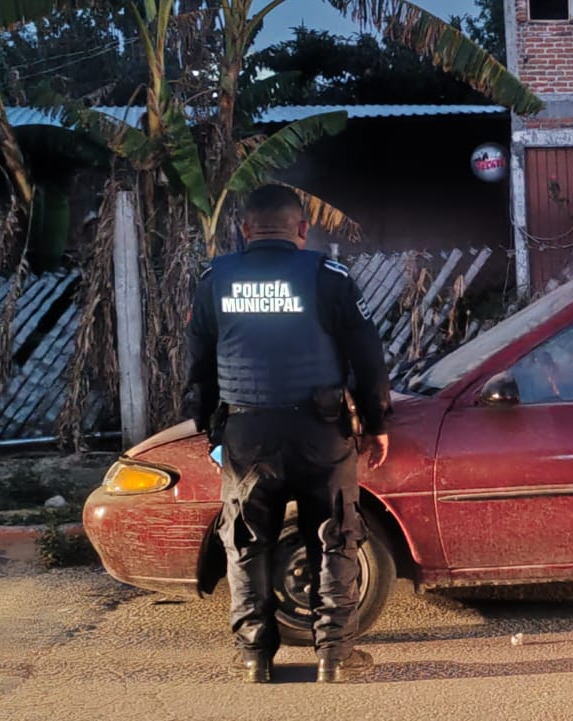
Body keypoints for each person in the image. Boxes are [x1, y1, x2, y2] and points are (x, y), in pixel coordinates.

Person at [186, 184, 392, 683]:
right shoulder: (329, 276)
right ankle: (334, 657)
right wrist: (377, 424)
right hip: (321, 432)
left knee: (247, 541)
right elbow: (368, 356)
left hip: (246, 432)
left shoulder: (215, 279)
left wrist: (210, 429)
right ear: (302, 229)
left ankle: (254, 658)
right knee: (335, 537)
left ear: (245, 230)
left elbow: (199, 365)